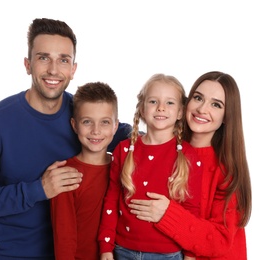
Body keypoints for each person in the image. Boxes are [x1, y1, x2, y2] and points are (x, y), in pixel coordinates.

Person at [0, 18, 131, 260]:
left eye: (63, 60)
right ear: (28, 64)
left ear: (73, 69)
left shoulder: (84, 116)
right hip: (12, 254)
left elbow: (135, 137)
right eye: (44, 57)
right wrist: (38, 189)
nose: (54, 70)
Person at [128, 71, 252, 259]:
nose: (202, 109)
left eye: (216, 104)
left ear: (227, 116)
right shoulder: (162, 149)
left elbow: (221, 240)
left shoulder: (226, 169)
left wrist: (167, 214)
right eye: (198, 98)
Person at [98, 73, 202, 260]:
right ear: (142, 109)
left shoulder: (188, 156)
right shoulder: (124, 149)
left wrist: (191, 255)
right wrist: (106, 246)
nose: (161, 108)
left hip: (168, 253)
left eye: (170, 103)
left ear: (180, 112)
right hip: (123, 249)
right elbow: (111, 200)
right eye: (153, 101)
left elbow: (192, 210)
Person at [50, 81, 119, 260]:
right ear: (74, 125)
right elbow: (64, 239)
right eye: (87, 122)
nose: (96, 131)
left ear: (115, 126)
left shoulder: (123, 167)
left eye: (104, 122)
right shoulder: (66, 175)